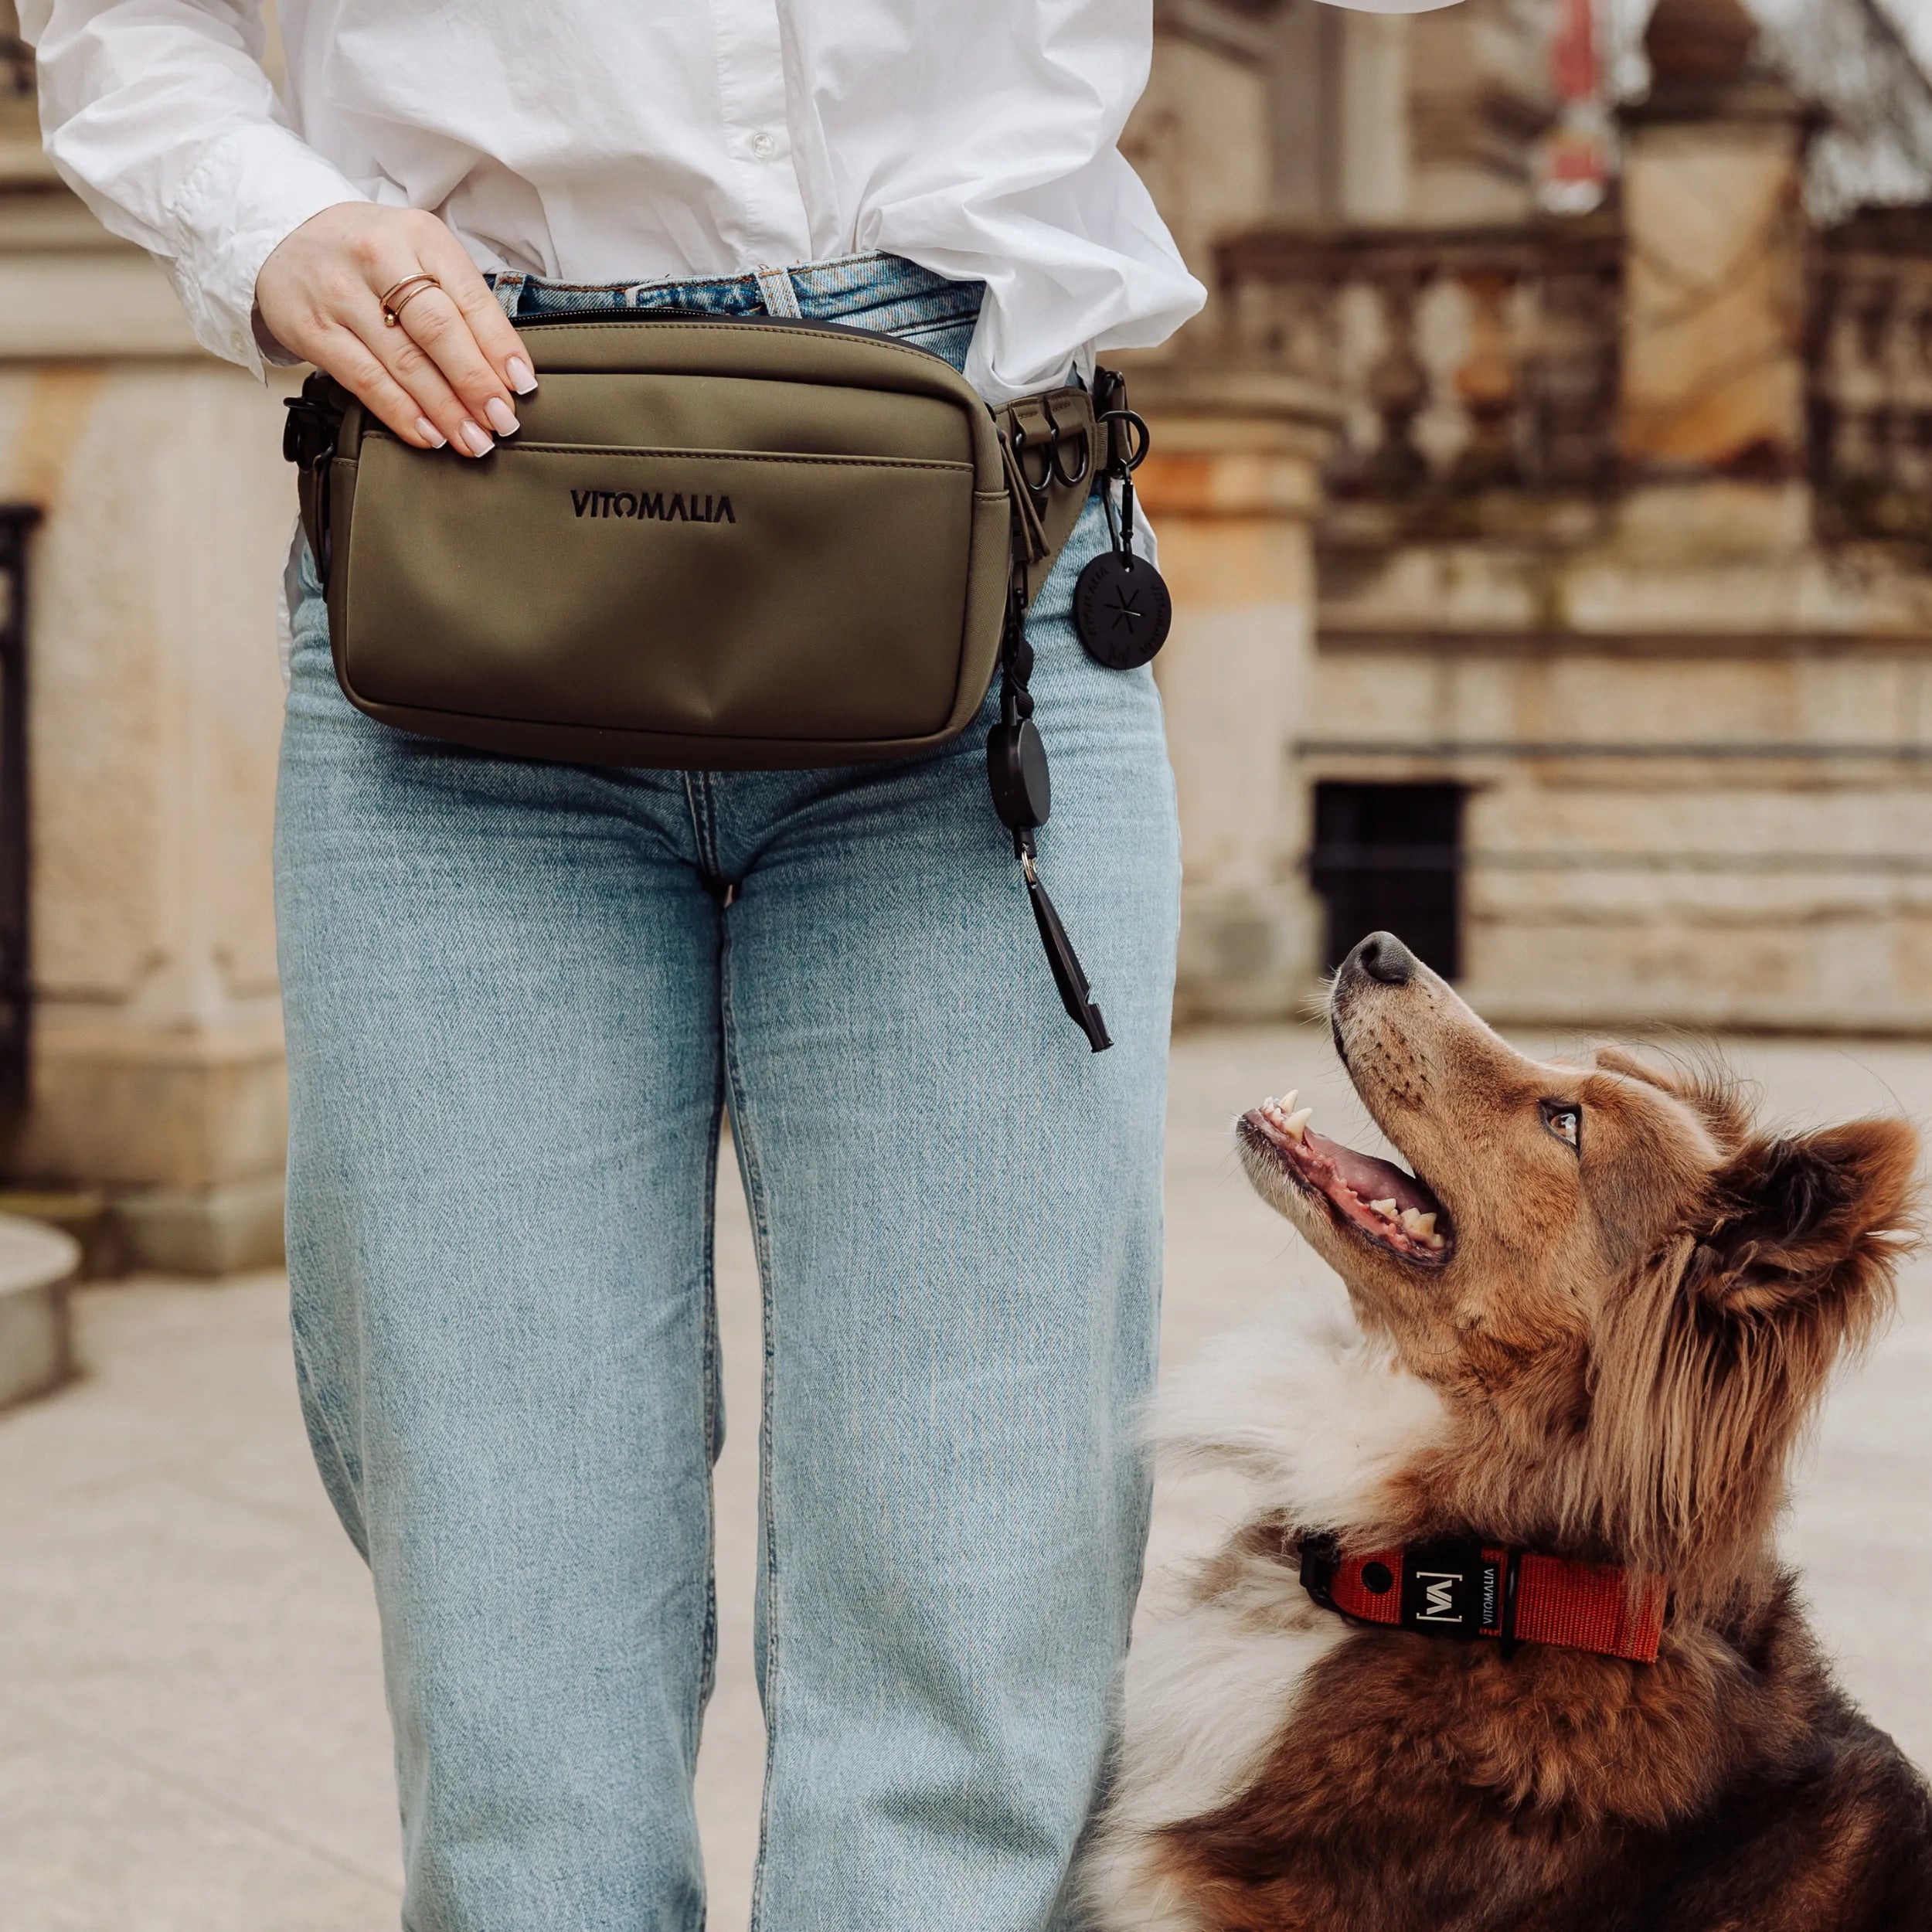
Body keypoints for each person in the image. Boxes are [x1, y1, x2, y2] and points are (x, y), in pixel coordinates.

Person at [21, 2, 1445, 1927]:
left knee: (975, 1620)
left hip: (974, 540)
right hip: (466, 487)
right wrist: (263, 219)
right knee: (511, 1660)